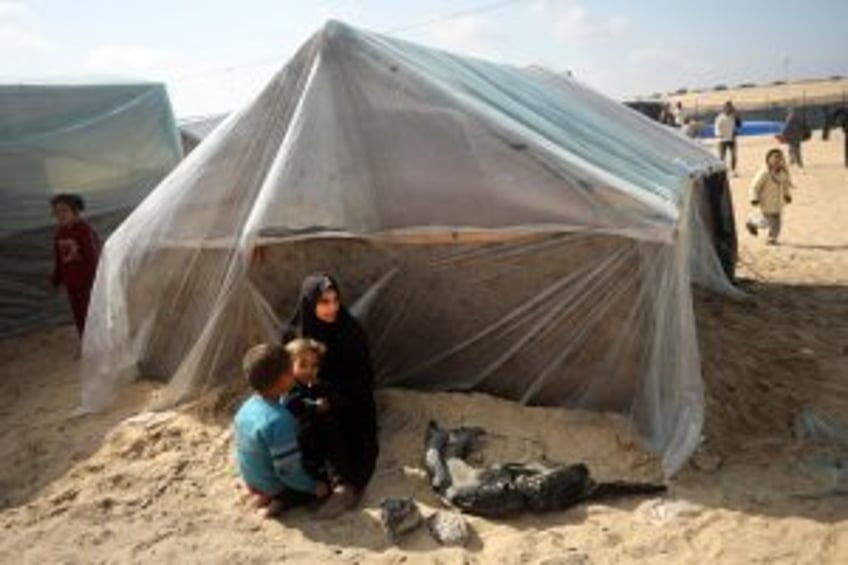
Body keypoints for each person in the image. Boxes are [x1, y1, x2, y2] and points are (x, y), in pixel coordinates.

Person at [282, 273, 379, 519]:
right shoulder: (295, 334)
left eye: (335, 300)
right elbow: (286, 374)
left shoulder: (350, 331)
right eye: (324, 301)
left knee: (325, 415)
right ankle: (294, 488)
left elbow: (362, 383)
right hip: (306, 396)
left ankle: (343, 485)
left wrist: (327, 395)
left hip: (346, 400)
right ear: (309, 302)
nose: (332, 307)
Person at [234, 343, 329, 517]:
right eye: (290, 370)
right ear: (282, 379)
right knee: (319, 485)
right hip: (274, 484)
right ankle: (278, 501)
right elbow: (288, 471)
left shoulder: (246, 407)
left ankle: (259, 494)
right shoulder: (279, 420)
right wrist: (313, 487)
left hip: (251, 478)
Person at [50, 193, 101, 338]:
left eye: (64, 210)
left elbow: (93, 257)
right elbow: (59, 260)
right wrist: (56, 280)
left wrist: (96, 280)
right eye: (57, 211)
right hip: (71, 282)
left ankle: (97, 342)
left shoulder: (85, 231)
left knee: (90, 312)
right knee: (78, 314)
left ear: (76, 211)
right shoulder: (59, 234)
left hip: (87, 281)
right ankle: (85, 341)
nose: (60, 215)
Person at [283, 337, 332, 485]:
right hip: (294, 438)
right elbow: (293, 403)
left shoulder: (308, 384)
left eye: (314, 365)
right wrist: (315, 405)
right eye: (303, 365)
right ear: (289, 366)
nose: (309, 370)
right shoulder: (289, 386)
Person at [745, 148, 794, 245]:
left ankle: (772, 239)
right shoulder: (764, 173)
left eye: (780, 158)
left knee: (777, 222)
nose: (777, 160)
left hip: (778, 202)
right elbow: (754, 186)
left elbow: (785, 185)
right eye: (775, 157)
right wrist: (753, 198)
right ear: (768, 159)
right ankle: (752, 223)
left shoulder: (783, 173)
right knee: (767, 222)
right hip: (766, 201)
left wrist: (787, 195)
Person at [714, 101, 740, 176]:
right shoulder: (720, 117)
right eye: (727, 107)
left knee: (733, 155)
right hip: (722, 140)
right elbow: (717, 127)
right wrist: (718, 134)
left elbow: (738, 125)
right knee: (722, 157)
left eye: (730, 107)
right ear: (724, 108)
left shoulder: (733, 117)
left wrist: (737, 115)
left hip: (732, 139)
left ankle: (733, 170)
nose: (729, 109)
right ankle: (722, 172)